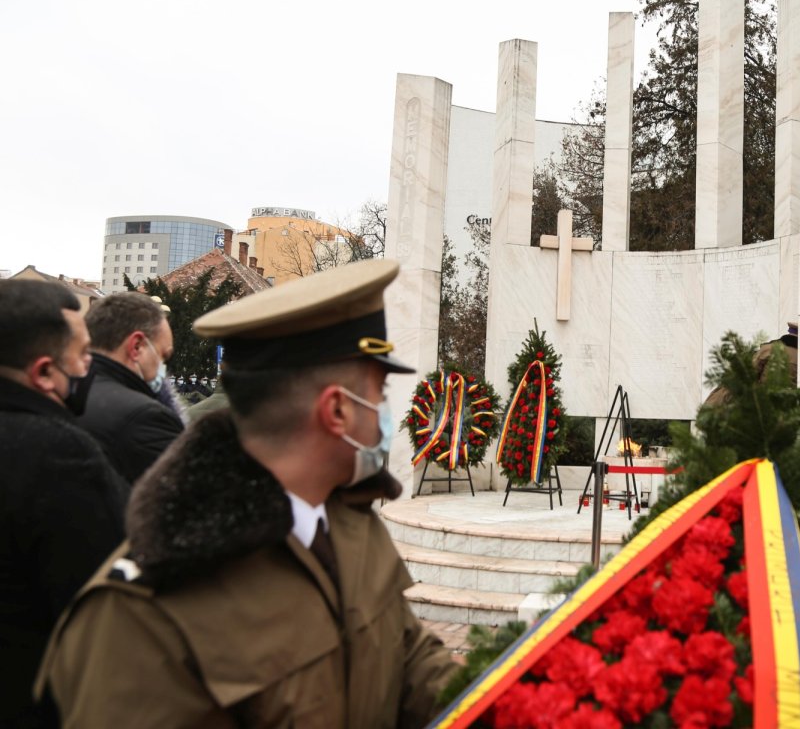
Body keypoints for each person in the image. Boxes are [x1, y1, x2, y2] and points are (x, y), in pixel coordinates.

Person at [38, 259, 458, 727]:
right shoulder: (141, 616)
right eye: (379, 393)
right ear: (337, 410)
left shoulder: (349, 522)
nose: (385, 412)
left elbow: (409, 658)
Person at [0, 279, 127, 728]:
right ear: (43, 373)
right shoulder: (60, 455)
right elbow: (104, 614)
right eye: (84, 354)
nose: (90, 366)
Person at [78, 292, 185, 484]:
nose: (162, 366)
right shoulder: (145, 418)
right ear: (136, 347)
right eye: (163, 356)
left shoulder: (60, 394)